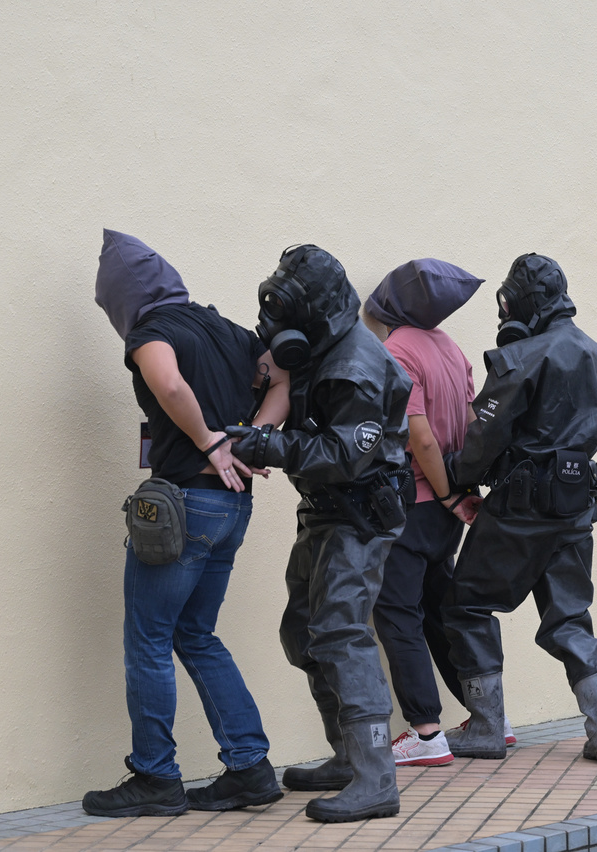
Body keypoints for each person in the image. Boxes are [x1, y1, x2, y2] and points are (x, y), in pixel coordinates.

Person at [84, 230, 288, 817]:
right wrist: (250, 441)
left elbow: (169, 382)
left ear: (122, 298)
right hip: (231, 507)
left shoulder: (152, 332)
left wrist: (210, 442)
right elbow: (283, 379)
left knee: (148, 640)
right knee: (196, 634)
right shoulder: (226, 330)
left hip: (182, 509)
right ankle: (250, 767)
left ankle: (154, 777)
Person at [224, 244, 412, 823]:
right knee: (302, 631)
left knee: (341, 633)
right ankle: (347, 756)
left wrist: (269, 445)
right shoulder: (319, 349)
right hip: (325, 512)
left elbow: (344, 454)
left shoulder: (355, 366)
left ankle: (376, 778)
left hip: (358, 515)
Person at [438, 253, 597, 762]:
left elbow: (483, 438)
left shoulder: (521, 357)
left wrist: (451, 476)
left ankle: (486, 728)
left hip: (521, 509)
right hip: (575, 504)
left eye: (505, 302)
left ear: (521, 303)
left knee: (465, 605)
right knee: (569, 617)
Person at [361, 258, 483, 767]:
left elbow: (421, 438)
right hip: (447, 511)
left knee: (397, 613)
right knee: (440, 612)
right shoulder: (450, 348)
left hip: (417, 502)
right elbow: (473, 423)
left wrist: (447, 492)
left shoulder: (396, 351)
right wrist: (459, 491)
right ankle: (487, 715)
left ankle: (427, 732)